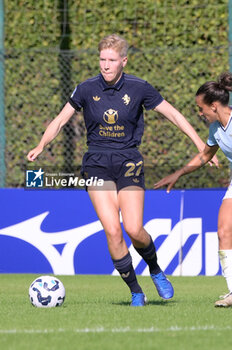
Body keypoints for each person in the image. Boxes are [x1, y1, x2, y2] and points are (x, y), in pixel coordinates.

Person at [27, 34, 217, 307]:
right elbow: (60, 119)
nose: (105, 65)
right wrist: (42, 144)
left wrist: (200, 143)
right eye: (102, 59)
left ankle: (155, 269)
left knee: (134, 228)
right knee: (113, 232)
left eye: (112, 60)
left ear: (123, 61)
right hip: (96, 164)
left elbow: (174, 114)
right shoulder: (85, 88)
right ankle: (136, 291)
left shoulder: (140, 88)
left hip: (128, 162)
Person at [154, 72, 232, 307]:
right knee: (223, 231)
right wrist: (177, 174)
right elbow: (204, 156)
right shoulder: (216, 130)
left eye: (201, 108)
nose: (200, 113)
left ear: (215, 106)